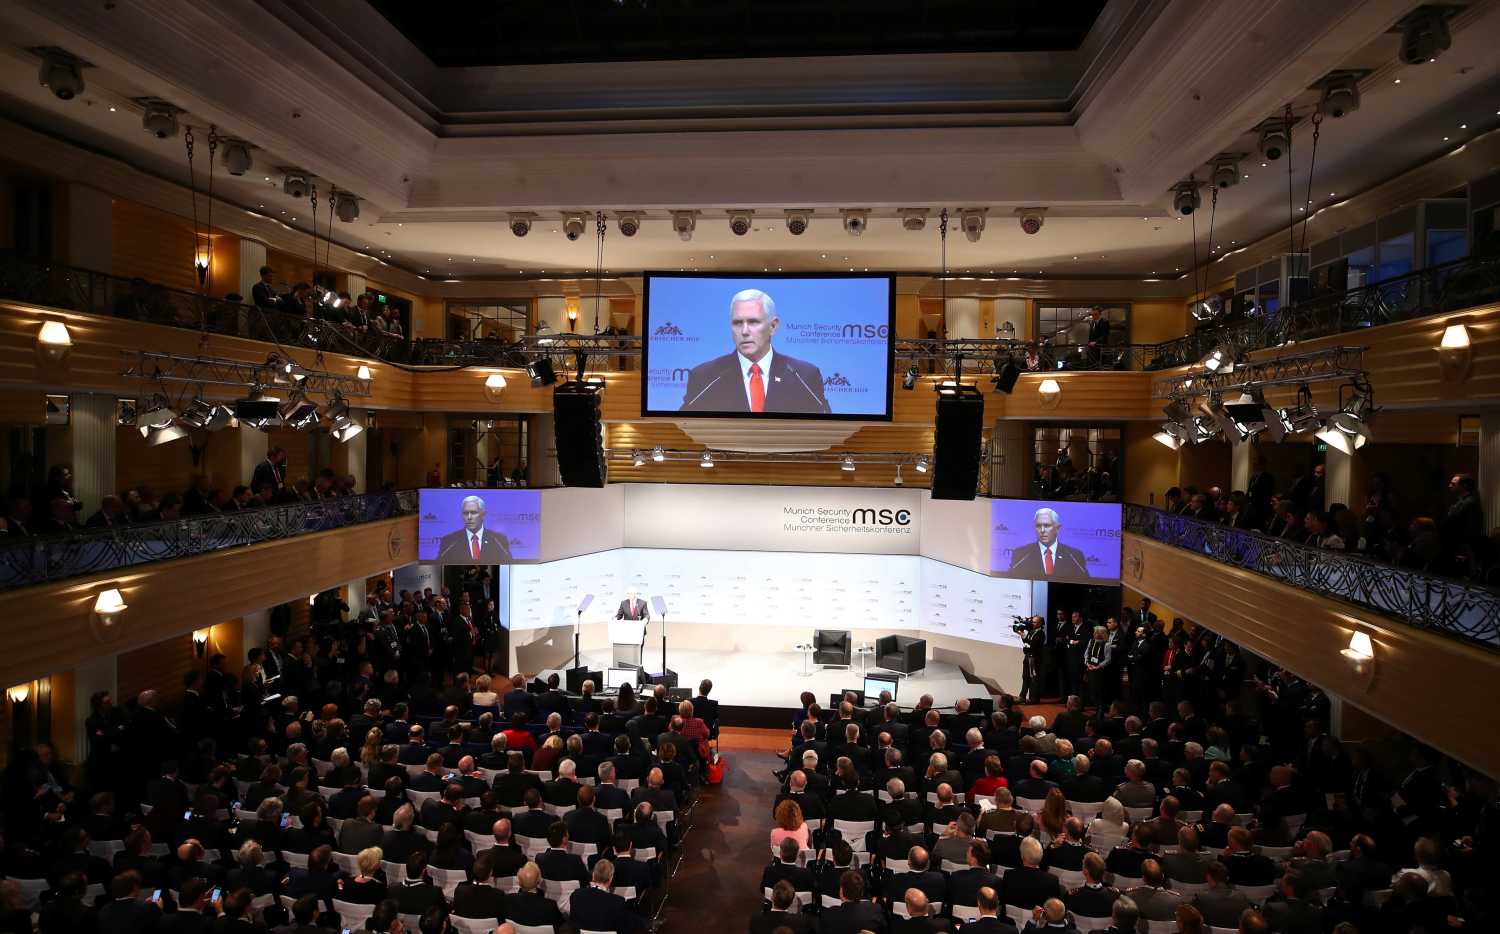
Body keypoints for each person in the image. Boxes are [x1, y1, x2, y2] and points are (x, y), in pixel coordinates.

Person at [678, 288, 830, 414]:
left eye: (753, 322)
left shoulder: (804, 376)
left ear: (773, 326)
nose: (744, 331)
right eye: (737, 323)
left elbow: (826, 426)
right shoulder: (705, 377)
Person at [1008, 507, 1092, 581]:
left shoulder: (1074, 556)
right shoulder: (1021, 554)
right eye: (1038, 526)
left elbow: (1085, 582)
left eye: (1047, 525)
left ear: (1057, 528)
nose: (1042, 530)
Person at [435, 495, 513, 563]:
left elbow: (509, 562)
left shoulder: (499, 540)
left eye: (473, 512)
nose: (469, 517)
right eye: (465, 513)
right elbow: (439, 563)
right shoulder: (449, 541)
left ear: (483, 515)